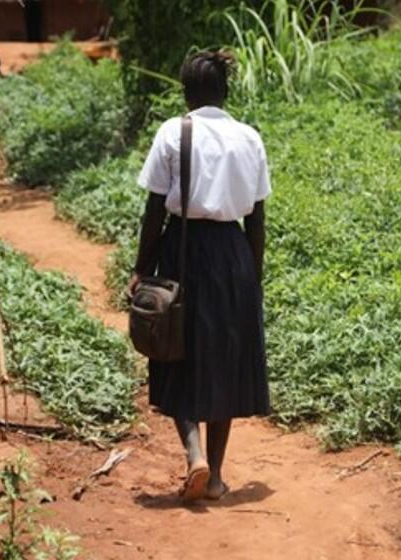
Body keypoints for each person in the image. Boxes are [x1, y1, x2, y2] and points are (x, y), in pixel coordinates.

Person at [128, 51, 270, 502]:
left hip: (183, 250)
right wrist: (253, 277)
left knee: (173, 348)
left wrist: (141, 269)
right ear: (225, 92)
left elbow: (154, 210)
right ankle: (215, 478)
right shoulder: (249, 137)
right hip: (233, 253)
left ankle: (194, 454)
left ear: (186, 93)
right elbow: (258, 218)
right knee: (224, 358)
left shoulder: (174, 132)